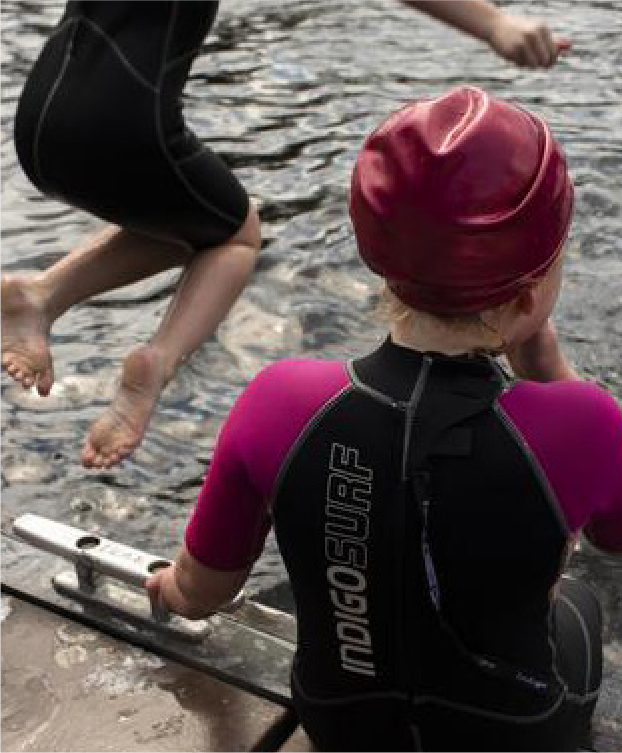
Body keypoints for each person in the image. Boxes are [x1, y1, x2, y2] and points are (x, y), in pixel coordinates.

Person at [144, 87, 622, 751]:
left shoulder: (279, 400)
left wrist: (166, 587)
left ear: (380, 260)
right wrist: (552, 371)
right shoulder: (583, 420)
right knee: (579, 600)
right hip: (513, 735)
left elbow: (203, 588)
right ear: (533, 288)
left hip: (340, 720)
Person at [2, 0, 570, 469]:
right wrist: (495, 23)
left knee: (194, 228)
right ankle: (156, 364)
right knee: (237, 238)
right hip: (123, 122)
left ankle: (41, 296)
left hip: (38, 120)